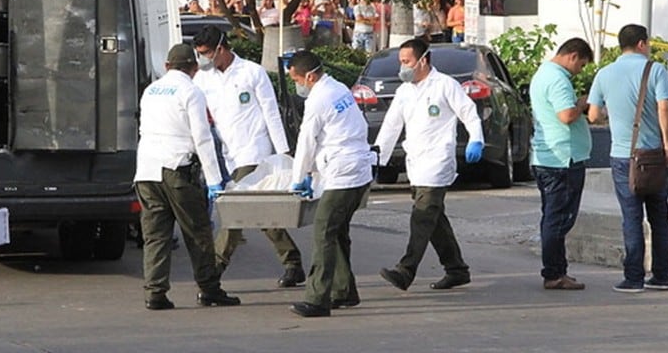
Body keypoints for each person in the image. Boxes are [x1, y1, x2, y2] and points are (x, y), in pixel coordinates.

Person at [192, 26, 306, 287]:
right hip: (225, 155)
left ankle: (214, 270)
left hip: (254, 151)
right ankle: (293, 262)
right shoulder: (202, 79)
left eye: (206, 53)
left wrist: (283, 154)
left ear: (221, 48)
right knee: (262, 212)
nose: (203, 59)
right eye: (199, 54)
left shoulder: (252, 72)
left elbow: (271, 113)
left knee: (235, 211)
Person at [134, 43, 241, 310]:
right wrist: (215, 179)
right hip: (177, 168)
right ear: (193, 69)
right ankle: (209, 289)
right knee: (198, 231)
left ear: (167, 67)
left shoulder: (150, 91)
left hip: (146, 169)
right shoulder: (191, 91)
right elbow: (202, 138)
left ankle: (155, 292)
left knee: (156, 234)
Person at [373, 38, 483, 291]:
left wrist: (476, 139)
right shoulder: (404, 91)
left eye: (407, 61)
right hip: (416, 162)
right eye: (401, 62)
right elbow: (391, 126)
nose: (403, 67)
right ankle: (456, 269)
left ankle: (406, 270)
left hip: (437, 162)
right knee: (435, 220)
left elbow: (468, 112)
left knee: (422, 217)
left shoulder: (445, 85)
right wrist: (377, 158)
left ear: (424, 60)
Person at [587, 24, 668, 293]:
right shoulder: (656, 70)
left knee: (631, 216)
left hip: (622, 157)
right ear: (641, 43)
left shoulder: (604, 73)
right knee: (660, 216)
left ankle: (633, 277)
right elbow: (664, 107)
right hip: (654, 157)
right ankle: (661, 275)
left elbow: (594, 116)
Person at [286, 51, 373, 318]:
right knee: (336, 232)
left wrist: (297, 177)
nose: (296, 85)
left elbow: (307, 141)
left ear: (310, 76)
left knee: (323, 232)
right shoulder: (338, 88)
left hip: (343, 173)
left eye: (296, 79)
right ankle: (344, 291)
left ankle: (317, 299)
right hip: (355, 170)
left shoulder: (318, 99)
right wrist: (313, 173)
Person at [530, 38, 594, 290]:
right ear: (573, 56)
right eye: (582, 65)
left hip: (547, 157)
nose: (580, 70)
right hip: (561, 159)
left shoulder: (543, 73)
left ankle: (557, 270)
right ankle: (554, 273)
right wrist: (582, 103)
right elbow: (566, 115)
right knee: (559, 219)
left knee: (552, 217)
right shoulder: (557, 79)